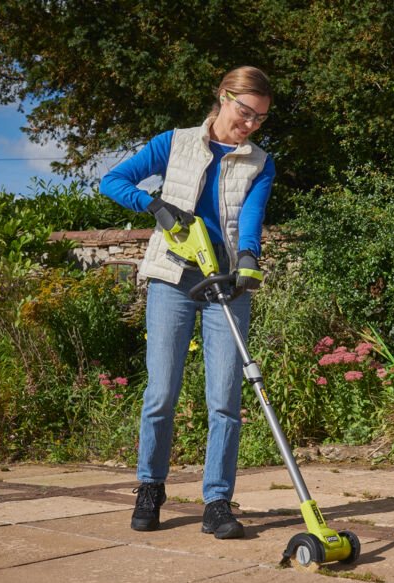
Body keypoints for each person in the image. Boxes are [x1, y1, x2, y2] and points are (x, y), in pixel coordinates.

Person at [99, 66, 275, 538]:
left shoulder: (259, 161)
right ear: (223, 97)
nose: (251, 124)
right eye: (245, 112)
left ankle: (217, 502)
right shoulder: (173, 142)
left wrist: (248, 259)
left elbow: (251, 218)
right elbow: (112, 181)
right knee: (161, 393)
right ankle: (150, 487)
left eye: (260, 118)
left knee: (225, 399)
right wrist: (154, 206)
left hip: (227, 283)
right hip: (172, 278)